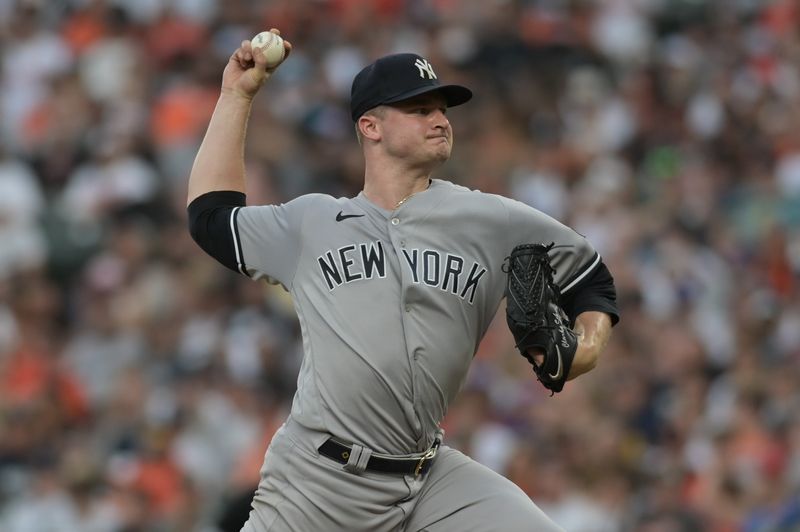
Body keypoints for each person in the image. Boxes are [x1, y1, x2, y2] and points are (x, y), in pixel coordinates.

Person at [187, 30, 619, 532]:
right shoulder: (311, 223)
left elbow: (592, 279)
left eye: (442, 108)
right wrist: (236, 96)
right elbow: (210, 218)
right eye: (418, 109)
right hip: (317, 482)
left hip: (429, 478)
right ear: (370, 126)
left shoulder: (491, 219)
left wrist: (586, 347)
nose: (439, 119)